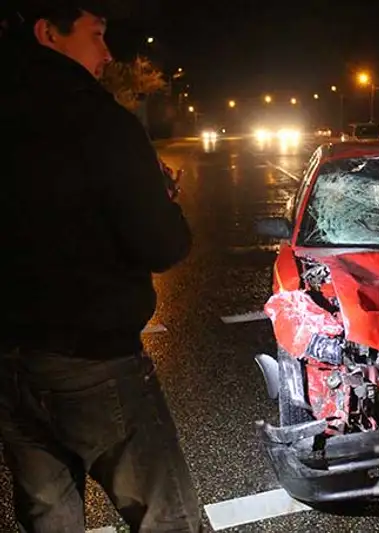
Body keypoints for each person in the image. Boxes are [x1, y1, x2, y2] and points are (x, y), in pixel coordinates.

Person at [0, 2, 201, 532]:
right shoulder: (98, 121)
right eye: (96, 35)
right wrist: (165, 202)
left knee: (48, 515)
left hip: (11, 360)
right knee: (168, 517)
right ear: (48, 32)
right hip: (93, 359)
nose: (108, 53)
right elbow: (162, 245)